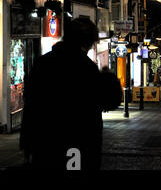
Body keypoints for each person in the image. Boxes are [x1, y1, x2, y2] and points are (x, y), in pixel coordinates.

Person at [20, 18, 121, 170]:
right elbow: (108, 102)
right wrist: (110, 81)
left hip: (44, 140)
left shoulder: (42, 63)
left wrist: (27, 141)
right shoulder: (87, 69)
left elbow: (31, 103)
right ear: (87, 42)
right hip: (77, 141)